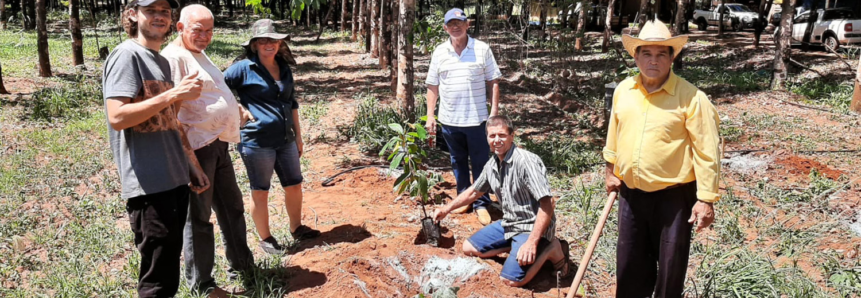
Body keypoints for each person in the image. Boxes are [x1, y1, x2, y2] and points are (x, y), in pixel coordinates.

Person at [103, 0, 210, 296]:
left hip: (173, 177)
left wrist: (190, 164)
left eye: (165, 11)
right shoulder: (126, 56)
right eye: (151, 11)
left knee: (167, 266)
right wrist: (174, 93)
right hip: (148, 184)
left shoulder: (160, 61)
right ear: (133, 14)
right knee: (157, 278)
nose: (160, 17)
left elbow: (167, 120)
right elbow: (117, 117)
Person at [606, 19, 720, 298]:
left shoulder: (692, 98)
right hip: (631, 196)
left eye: (661, 54)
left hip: (674, 200)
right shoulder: (624, 90)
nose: (653, 61)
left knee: (670, 272)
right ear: (636, 57)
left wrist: (705, 198)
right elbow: (614, 134)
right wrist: (610, 170)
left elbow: (708, 151)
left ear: (672, 58)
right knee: (629, 266)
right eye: (646, 53)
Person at [160, 5, 254, 296]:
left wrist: (232, 107)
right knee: (198, 218)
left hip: (218, 144)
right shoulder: (173, 57)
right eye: (197, 30)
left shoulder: (196, 52)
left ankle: (242, 266)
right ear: (179, 28)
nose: (204, 36)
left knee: (232, 207)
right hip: (198, 149)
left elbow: (209, 91)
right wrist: (191, 164)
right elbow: (171, 113)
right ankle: (202, 284)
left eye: (209, 31)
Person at [433, 115, 570, 287]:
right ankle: (516, 247)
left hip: (532, 228)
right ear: (487, 139)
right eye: (492, 136)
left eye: (502, 135)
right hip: (510, 223)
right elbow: (474, 191)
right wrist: (446, 209)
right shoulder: (492, 165)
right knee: (469, 248)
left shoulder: (526, 162)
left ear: (512, 136)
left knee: (511, 280)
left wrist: (531, 242)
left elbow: (548, 203)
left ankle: (551, 248)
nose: (496, 140)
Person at [224, 19, 320, 255]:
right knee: (261, 190)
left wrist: (298, 136)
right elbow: (217, 87)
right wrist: (237, 107)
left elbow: (292, 102)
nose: (269, 44)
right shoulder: (243, 68)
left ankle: (296, 227)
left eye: (273, 40)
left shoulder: (283, 67)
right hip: (257, 141)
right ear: (254, 44)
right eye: (263, 40)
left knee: (294, 185)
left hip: (285, 138)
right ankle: (266, 238)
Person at [425, 8, 502, 226]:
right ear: (445, 28)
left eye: (460, 22)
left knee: (480, 163)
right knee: (457, 162)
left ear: (468, 24)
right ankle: (463, 199)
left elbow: (493, 80)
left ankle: (481, 203)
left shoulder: (482, 49)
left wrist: (494, 113)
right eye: (451, 23)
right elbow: (432, 85)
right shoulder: (439, 52)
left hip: (477, 120)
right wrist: (431, 115)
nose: (455, 27)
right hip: (449, 120)